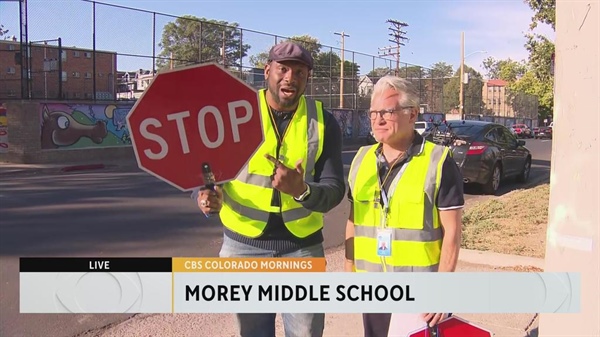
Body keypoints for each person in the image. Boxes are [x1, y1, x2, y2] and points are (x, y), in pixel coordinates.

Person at [194, 41, 346, 337]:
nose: (291, 77)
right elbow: (204, 173)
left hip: (302, 249)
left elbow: (335, 188)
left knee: (306, 333)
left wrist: (302, 190)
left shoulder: (324, 121)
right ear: (267, 71)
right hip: (243, 247)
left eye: (300, 72)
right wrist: (205, 196)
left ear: (308, 78)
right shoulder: (233, 114)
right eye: (283, 69)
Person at [344, 76, 464, 337]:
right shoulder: (361, 159)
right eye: (374, 112)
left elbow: (452, 233)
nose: (378, 119)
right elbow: (354, 220)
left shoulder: (438, 161)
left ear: (412, 114)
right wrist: (349, 271)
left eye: (387, 111)